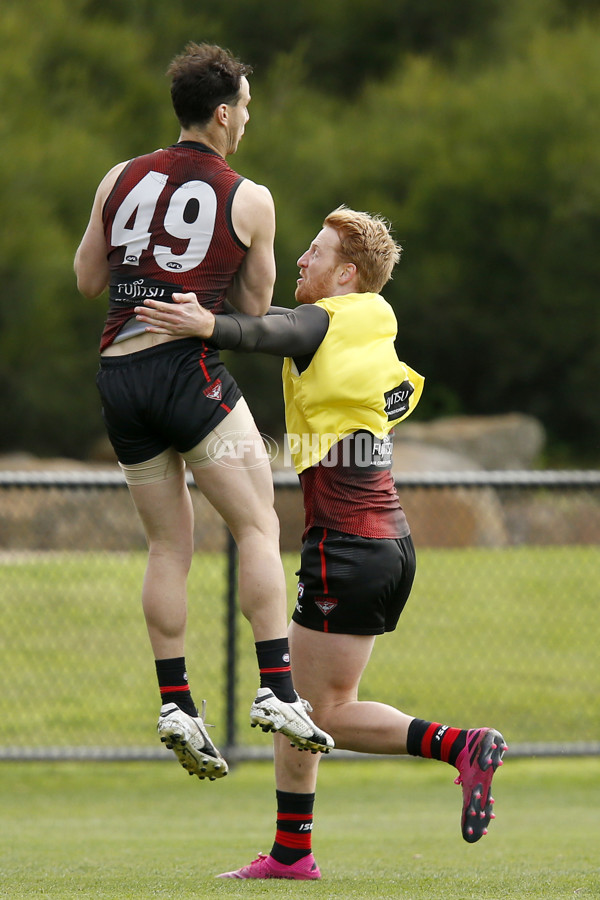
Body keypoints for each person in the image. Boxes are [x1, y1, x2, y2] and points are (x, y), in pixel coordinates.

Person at [134, 206, 508, 878]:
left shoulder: (328, 320)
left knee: (309, 710)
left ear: (347, 273)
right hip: (387, 544)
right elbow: (276, 318)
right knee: (302, 706)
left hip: (347, 547)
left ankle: (460, 745)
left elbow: (271, 327)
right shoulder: (371, 331)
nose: (303, 259)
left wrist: (205, 325)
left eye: (316, 250)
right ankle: (291, 852)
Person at [73, 41, 334, 784]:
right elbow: (251, 310)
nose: (246, 119)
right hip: (186, 372)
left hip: (119, 378)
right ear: (222, 114)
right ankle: (278, 690)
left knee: (168, 547)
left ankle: (176, 701)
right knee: (256, 524)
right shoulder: (248, 196)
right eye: (245, 107)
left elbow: (88, 278)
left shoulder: (118, 178)